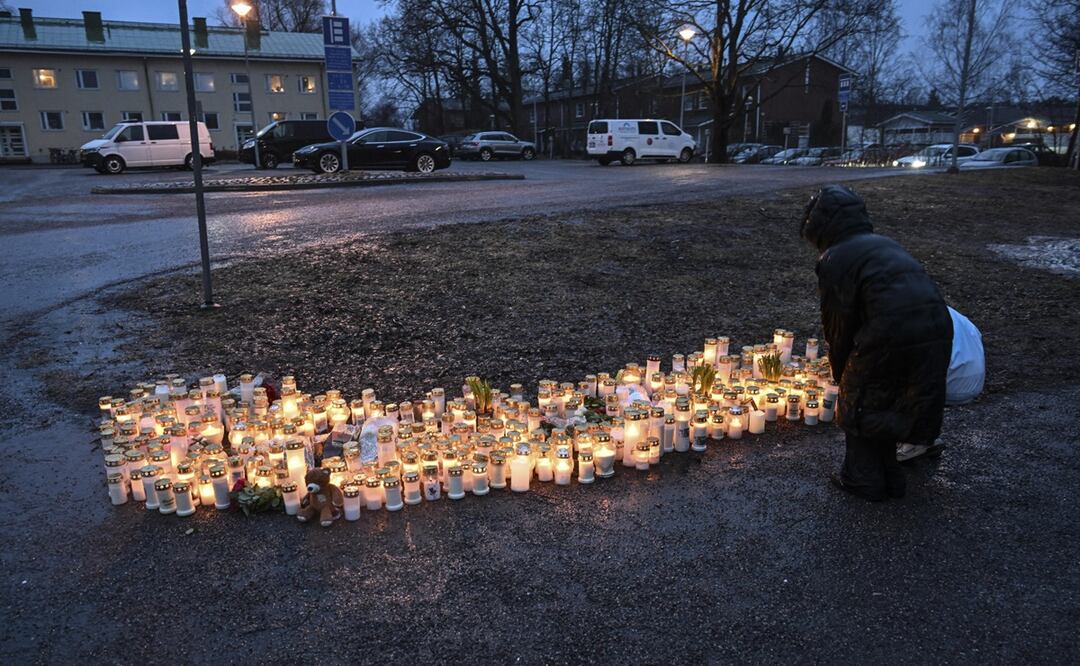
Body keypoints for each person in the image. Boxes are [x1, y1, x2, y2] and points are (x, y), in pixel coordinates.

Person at [801, 185, 953, 501]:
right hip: (935, 327)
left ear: (821, 228)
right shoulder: (882, 244)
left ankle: (862, 480)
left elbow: (838, 323)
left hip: (891, 331)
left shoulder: (836, 257)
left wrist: (842, 372)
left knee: (860, 402)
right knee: (887, 402)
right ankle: (890, 477)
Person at [897, 306, 985, 463]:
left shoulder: (891, 310)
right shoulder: (928, 301)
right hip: (970, 374)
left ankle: (914, 442)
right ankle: (924, 435)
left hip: (946, 377)